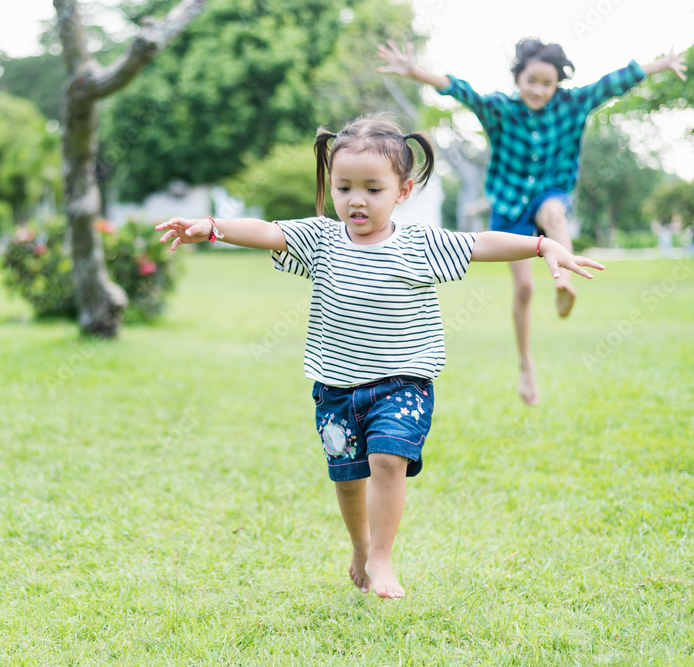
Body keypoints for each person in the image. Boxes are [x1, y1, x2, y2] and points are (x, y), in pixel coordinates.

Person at [155, 115, 604, 599]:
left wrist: (542, 245)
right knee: (349, 480)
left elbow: (481, 244)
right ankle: (360, 546)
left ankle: (383, 558)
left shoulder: (420, 243)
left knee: (388, 461)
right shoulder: (321, 240)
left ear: (403, 191)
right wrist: (214, 226)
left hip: (402, 384)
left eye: (373, 188)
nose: (357, 200)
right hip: (336, 390)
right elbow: (267, 231)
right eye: (344, 187)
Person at [377, 38, 687, 405]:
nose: (539, 90)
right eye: (531, 81)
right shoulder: (500, 110)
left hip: (551, 192)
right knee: (523, 290)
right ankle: (526, 364)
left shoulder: (572, 104)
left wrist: (661, 64)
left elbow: (615, 81)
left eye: (547, 83)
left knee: (554, 214)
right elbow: (461, 90)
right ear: (518, 78)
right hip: (509, 205)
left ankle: (564, 283)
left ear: (558, 84)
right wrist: (414, 71)